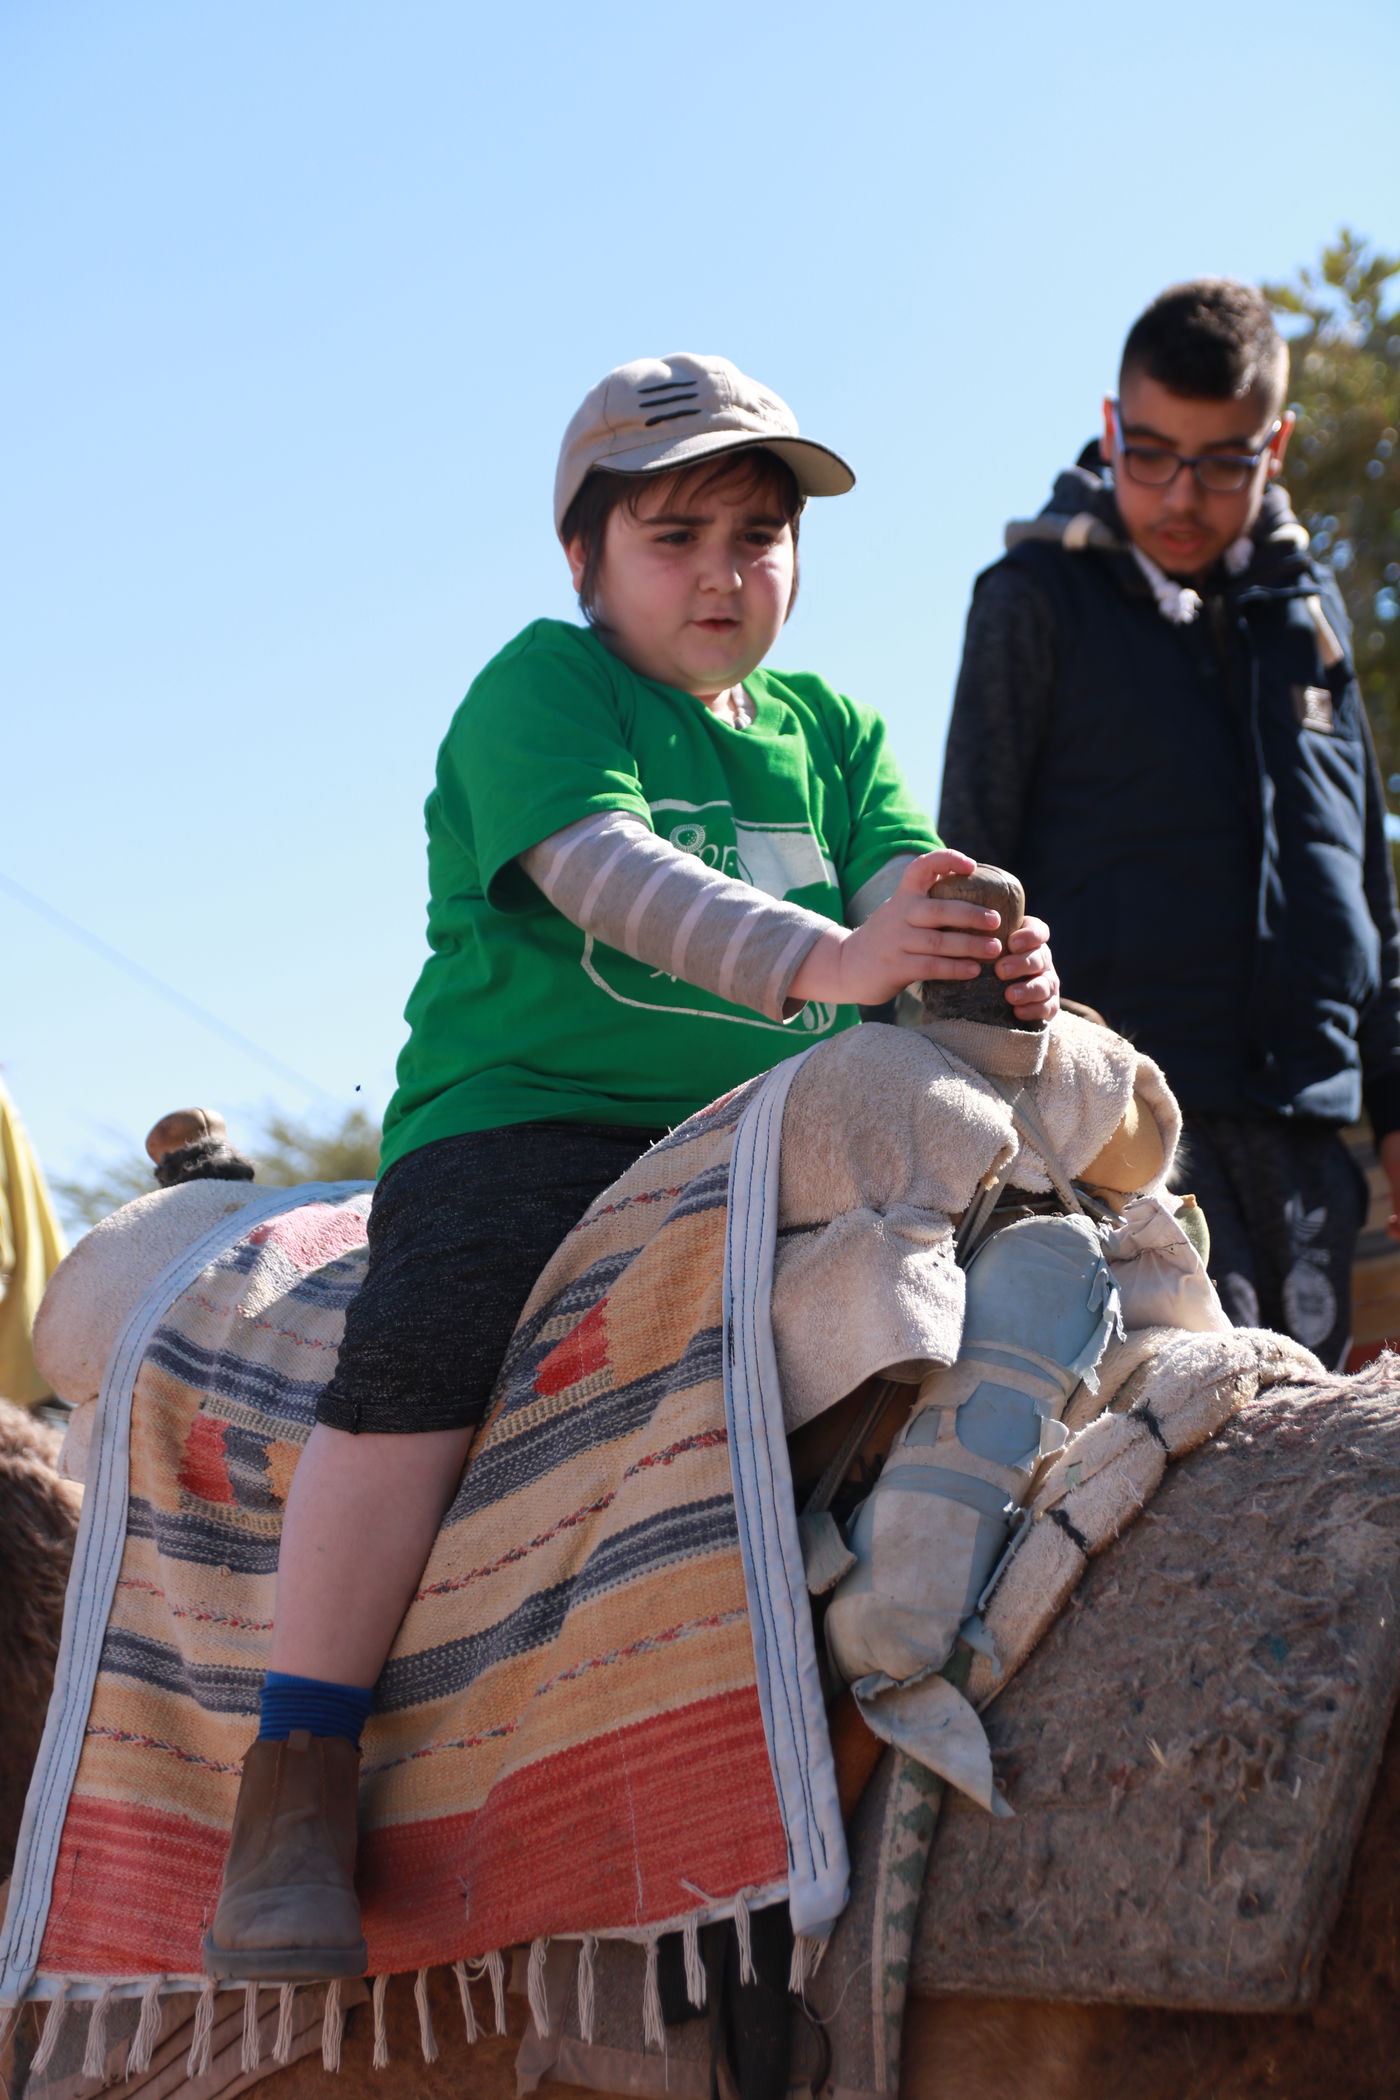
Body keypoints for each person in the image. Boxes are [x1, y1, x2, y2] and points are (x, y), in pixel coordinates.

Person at [204, 352, 1060, 1980]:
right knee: (428, 1353)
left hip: (763, 1131)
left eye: (760, 532)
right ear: (583, 558)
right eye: (677, 535)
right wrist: (835, 960)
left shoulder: (834, 726)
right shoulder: (543, 689)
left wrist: (986, 950)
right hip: (530, 1116)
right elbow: (614, 878)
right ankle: (298, 1770)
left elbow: (910, 890)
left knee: (1013, 1256)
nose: (728, 570)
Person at [939, 278, 1400, 1371]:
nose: (1179, 494)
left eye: (1222, 461)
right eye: (1149, 453)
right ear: (1109, 427)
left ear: (1274, 444)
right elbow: (971, 872)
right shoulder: (1028, 599)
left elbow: (1365, 891)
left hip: (1305, 1134)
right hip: (1120, 1131)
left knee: (1303, 1440)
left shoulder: (1311, 620)